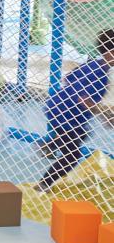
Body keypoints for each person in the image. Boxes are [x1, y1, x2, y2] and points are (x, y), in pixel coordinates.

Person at [36, 29, 114, 192]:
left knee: (81, 134)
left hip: (56, 106)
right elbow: (84, 100)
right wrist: (105, 115)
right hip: (67, 115)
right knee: (72, 156)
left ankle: (50, 143)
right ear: (111, 52)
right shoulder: (100, 74)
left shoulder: (91, 64)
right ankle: (43, 184)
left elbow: (68, 78)